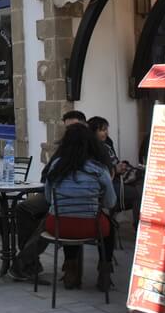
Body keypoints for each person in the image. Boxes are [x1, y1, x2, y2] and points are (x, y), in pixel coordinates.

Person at [11, 110, 88, 280]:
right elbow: (47, 174)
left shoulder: (91, 149)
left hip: (74, 201)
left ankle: (23, 262)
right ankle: (31, 261)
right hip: (51, 194)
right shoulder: (64, 149)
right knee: (23, 208)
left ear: (84, 126)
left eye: (73, 128)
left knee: (51, 217)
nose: (70, 133)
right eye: (67, 129)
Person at [41, 122, 118, 291]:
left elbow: (48, 198)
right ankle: (104, 274)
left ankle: (71, 272)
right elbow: (110, 203)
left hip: (58, 226)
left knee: (68, 218)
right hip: (90, 227)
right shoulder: (99, 168)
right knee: (110, 227)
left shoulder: (56, 166)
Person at [88, 116, 140, 223]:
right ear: (93, 132)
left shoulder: (107, 142)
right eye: (102, 130)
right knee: (138, 194)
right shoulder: (92, 148)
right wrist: (115, 170)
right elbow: (99, 172)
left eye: (106, 129)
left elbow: (113, 161)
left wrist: (120, 166)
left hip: (116, 178)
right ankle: (138, 228)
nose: (106, 133)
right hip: (107, 184)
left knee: (142, 184)